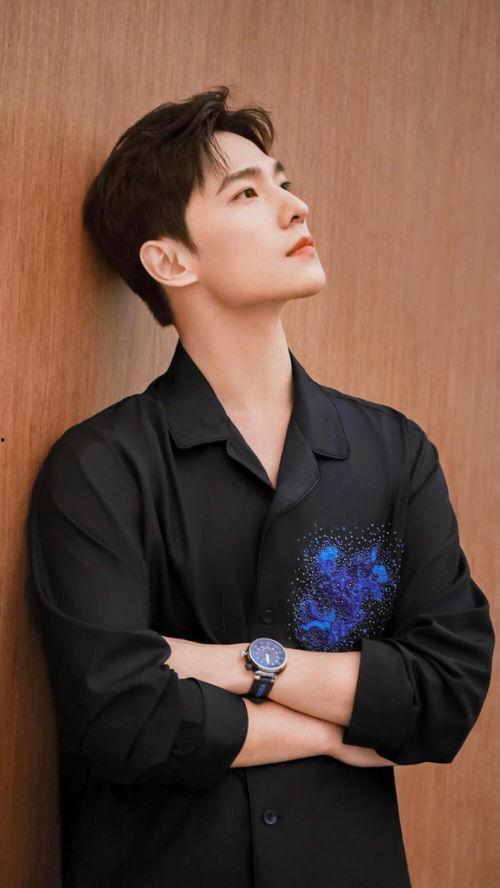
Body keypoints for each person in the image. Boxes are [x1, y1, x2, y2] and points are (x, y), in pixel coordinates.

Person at [25, 85, 495, 888]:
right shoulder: (101, 466)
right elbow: (122, 715)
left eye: (283, 182)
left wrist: (240, 665)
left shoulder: (394, 452)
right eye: (247, 193)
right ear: (170, 261)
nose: (295, 206)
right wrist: (339, 726)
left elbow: (447, 692)